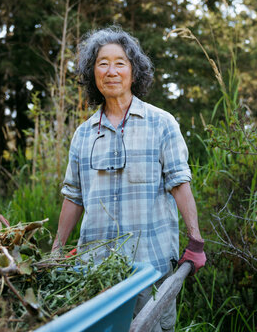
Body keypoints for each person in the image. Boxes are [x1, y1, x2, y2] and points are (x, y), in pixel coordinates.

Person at [51, 26, 206, 331]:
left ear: (134, 72)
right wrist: (57, 249)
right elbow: (74, 196)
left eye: (120, 62)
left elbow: (179, 183)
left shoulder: (161, 123)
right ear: (92, 73)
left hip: (152, 265)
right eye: (102, 63)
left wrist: (196, 240)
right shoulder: (84, 134)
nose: (111, 70)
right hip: (96, 272)